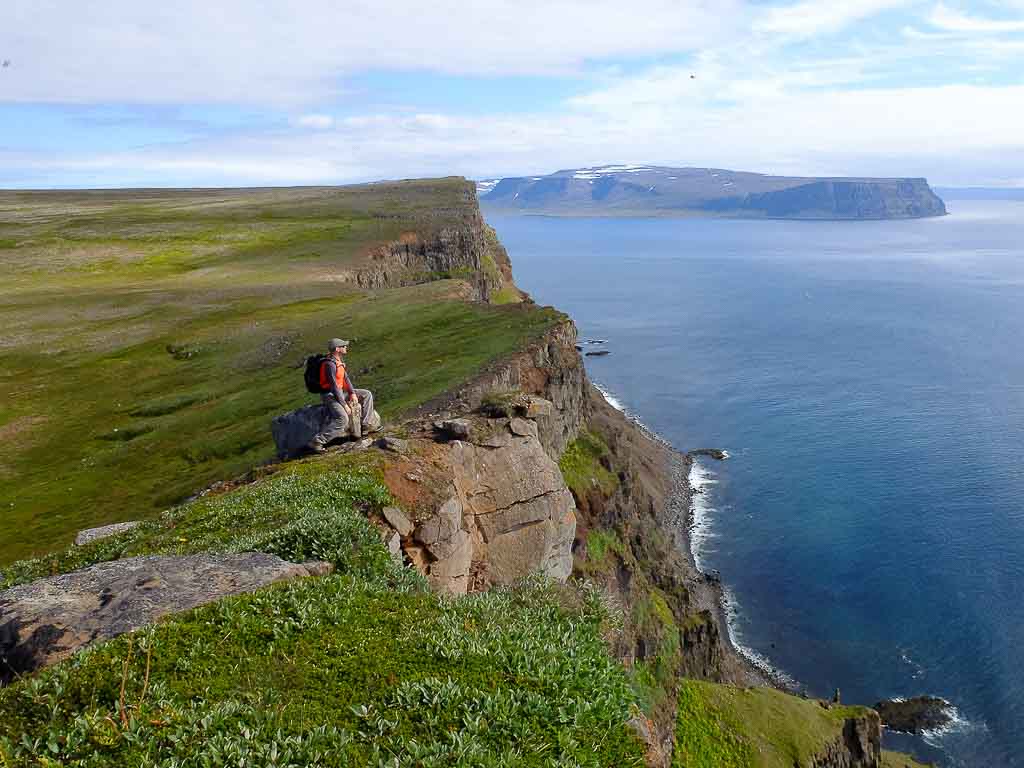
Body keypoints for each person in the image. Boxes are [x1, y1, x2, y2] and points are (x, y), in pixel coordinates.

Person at [308, 338, 376, 453]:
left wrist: (352, 393)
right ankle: (317, 442)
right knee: (342, 419)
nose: (346, 347)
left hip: (340, 392)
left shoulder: (338, 361)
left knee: (367, 394)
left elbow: (345, 378)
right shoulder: (329, 364)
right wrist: (344, 405)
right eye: (343, 346)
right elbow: (334, 386)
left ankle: (365, 426)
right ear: (337, 349)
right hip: (330, 395)